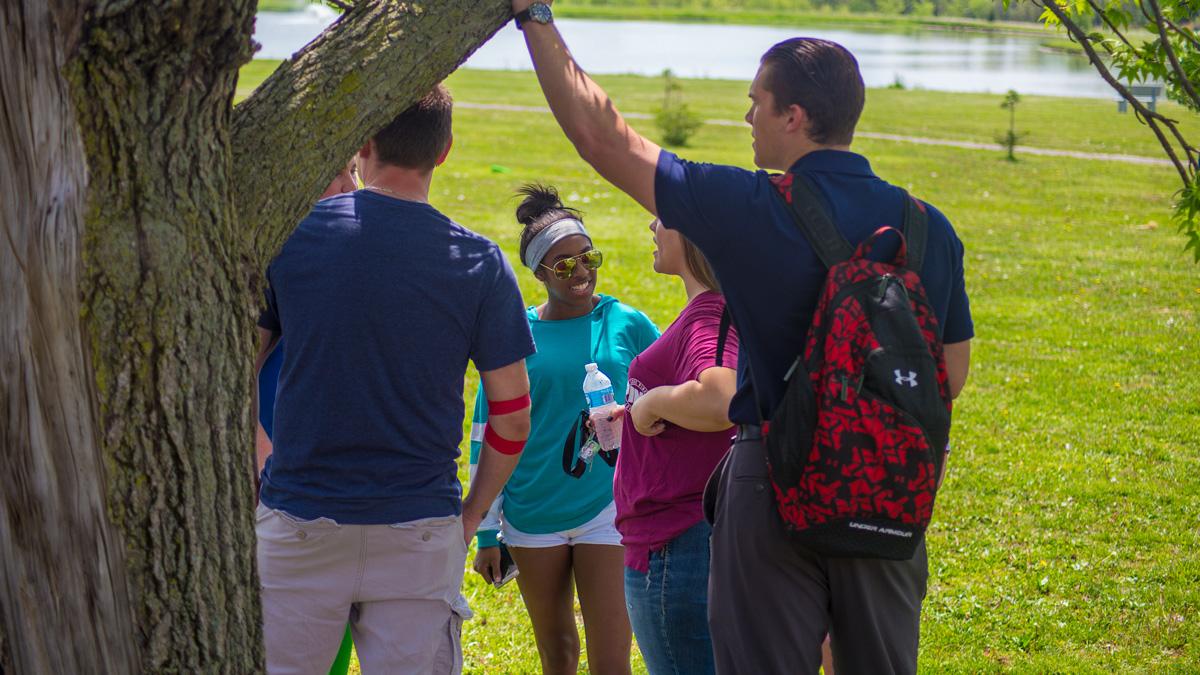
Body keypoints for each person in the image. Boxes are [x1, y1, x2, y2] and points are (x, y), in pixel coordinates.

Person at [508, 4, 974, 672]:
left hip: (772, 486)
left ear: (796, 116)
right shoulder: (929, 227)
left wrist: (535, 17)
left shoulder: (752, 208)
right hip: (885, 488)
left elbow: (602, 138)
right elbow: (949, 375)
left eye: (757, 102)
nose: (747, 116)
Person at [255, 85, 535, 674]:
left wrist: (261, 466)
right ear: (446, 150)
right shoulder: (480, 262)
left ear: (364, 141)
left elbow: (233, 370)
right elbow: (511, 414)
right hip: (420, 526)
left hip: (298, 517)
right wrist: (471, 514)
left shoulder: (291, 235)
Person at [469, 184, 659, 675]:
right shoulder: (516, 334)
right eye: (564, 265)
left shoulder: (626, 323)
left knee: (611, 653)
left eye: (588, 256)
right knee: (557, 652)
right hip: (532, 510)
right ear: (538, 274)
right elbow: (486, 431)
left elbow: (668, 390)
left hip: (609, 507)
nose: (582, 272)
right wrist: (487, 531)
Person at [613, 218, 737, 675]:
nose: (650, 223)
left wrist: (651, 404)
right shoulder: (723, 311)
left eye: (663, 216)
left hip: (678, 550)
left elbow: (721, 399)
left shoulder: (709, 315)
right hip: (685, 544)